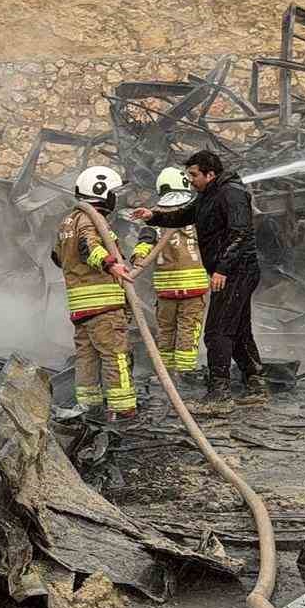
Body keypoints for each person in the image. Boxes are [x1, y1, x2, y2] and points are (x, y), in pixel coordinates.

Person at [132, 149, 266, 415]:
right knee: (237, 330)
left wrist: (222, 270)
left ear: (210, 174)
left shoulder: (232, 194)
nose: (190, 179)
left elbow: (239, 235)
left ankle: (219, 395)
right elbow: (184, 216)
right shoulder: (209, 195)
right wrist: (153, 216)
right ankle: (256, 385)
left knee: (217, 332)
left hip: (237, 271)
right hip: (232, 271)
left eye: (194, 175)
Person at [52, 165, 137, 421]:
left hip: (81, 306)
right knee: (115, 356)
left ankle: (90, 408)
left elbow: (57, 256)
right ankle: (123, 409)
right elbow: (89, 247)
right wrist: (111, 264)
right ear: (105, 194)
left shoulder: (68, 220)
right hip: (104, 306)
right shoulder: (91, 219)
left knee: (86, 357)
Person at [130, 165, 209, 383]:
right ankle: (184, 373)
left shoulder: (155, 215)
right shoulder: (196, 212)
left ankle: (165, 375)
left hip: (166, 290)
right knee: (188, 328)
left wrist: (137, 259)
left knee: (165, 330)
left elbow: (145, 242)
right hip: (194, 287)